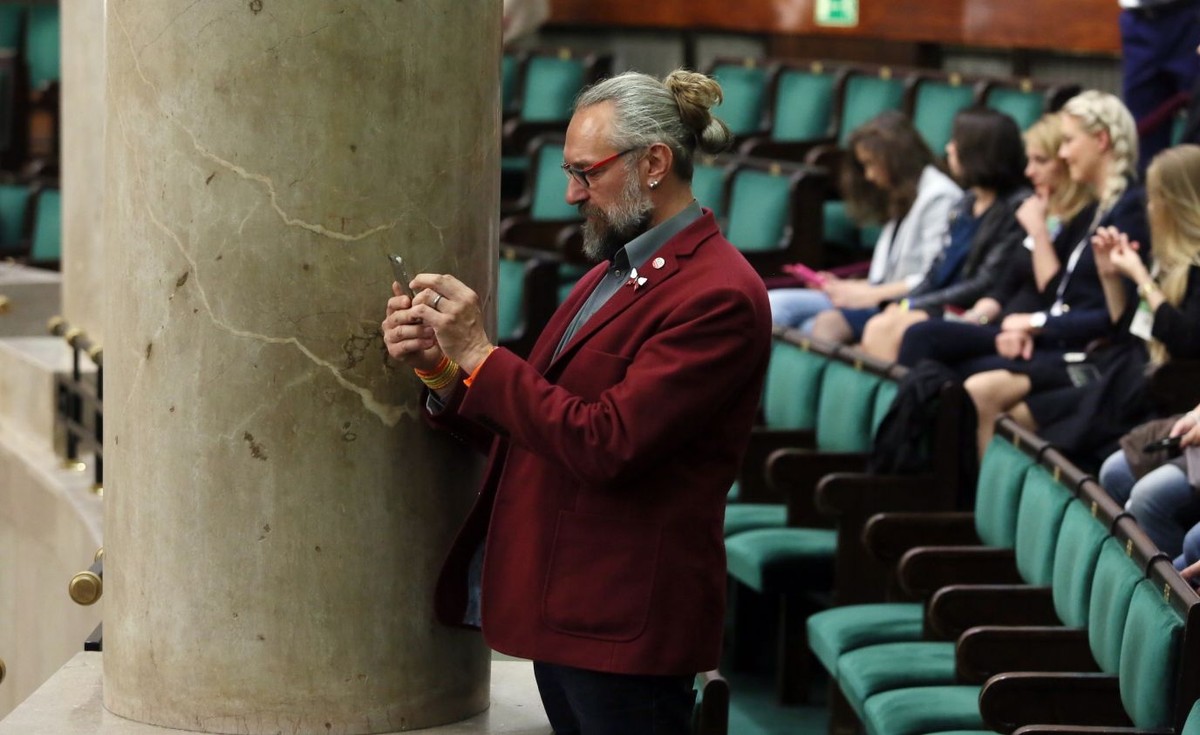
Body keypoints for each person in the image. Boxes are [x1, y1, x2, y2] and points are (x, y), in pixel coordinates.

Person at [381, 70, 772, 734]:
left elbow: (606, 444)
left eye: (586, 173)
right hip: (571, 611)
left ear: (654, 163)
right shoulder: (610, 274)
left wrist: (479, 353)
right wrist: (444, 370)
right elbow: (540, 429)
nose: (570, 193)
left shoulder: (718, 294)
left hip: (625, 626)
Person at [1090, 145, 1200, 555]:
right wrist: (1110, 276)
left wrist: (1141, 279)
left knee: (1149, 496)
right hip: (1156, 388)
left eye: (1155, 198)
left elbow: (1187, 339)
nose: (1149, 208)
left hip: (1168, 392)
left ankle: (1168, 593)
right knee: (1115, 470)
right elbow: (1129, 336)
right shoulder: (1167, 261)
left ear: (1175, 203)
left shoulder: (1194, 266)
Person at [854, 107, 1029, 360]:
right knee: (880, 325)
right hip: (941, 303)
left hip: (971, 309)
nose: (949, 148)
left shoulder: (1014, 208)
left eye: (956, 142)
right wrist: (906, 302)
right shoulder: (966, 203)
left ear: (978, 152)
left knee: (885, 330)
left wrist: (916, 304)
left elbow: (985, 282)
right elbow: (937, 270)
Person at [768, 110, 961, 333]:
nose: (869, 175)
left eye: (871, 164)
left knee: (810, 327)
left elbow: (932, 278)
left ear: (896, 159)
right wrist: (846, 286)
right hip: (875, 297)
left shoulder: (939, 196)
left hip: (901, 306)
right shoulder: (904, 193)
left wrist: (868, 294)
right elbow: (884, 277)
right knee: (772, 305)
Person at [1119, 0, 1200, 170]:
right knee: (1143, 135)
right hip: (1137, 20)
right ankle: (1147, 186)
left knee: (1196, 127)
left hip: (1190, 17)